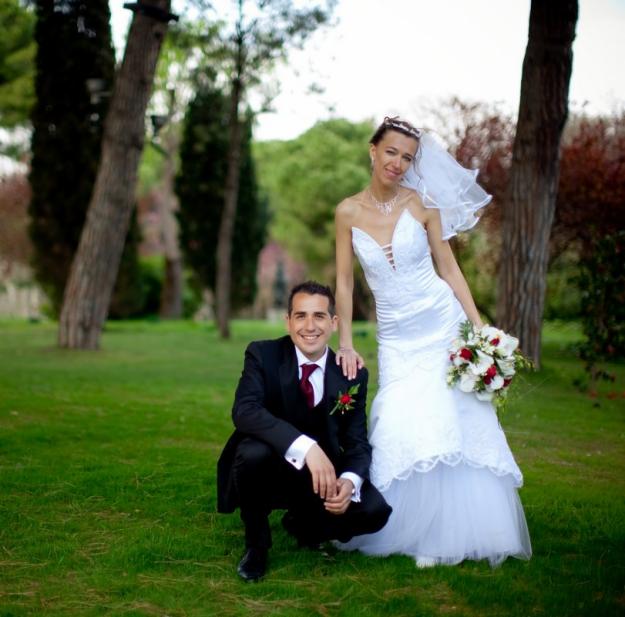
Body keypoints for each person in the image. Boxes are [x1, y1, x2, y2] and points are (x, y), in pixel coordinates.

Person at [334, 116, 531, 567]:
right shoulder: (346, 212)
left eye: (407, 157)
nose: (398, 163)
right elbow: (345, 283)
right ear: (372, 151)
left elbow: (449, 268)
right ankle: (399, 525)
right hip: (397, 338)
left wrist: (477, 327)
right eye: (391, 152)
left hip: (442, 323)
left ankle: (459, 531)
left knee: (456, 419)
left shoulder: (423, 203)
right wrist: (345, 342)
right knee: (401, 419)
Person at [217, 281, 392, 581]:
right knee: (251, 452)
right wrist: (306, 447)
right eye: (300, 316)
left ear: (334, 322)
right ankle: (256, 545)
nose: (309, 326)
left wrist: (349, 482)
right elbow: (244, 411)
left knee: (374, 511)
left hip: (318, 479)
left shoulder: (351, 374)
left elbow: (357, 443)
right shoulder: (263, 354)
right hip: (269, 469)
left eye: (319, 316)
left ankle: (303, 524)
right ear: (288, 321)